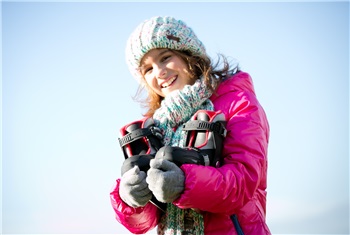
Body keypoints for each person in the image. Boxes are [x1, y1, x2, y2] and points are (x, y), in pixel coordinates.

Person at [110, 16, 271, 235]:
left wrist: (184, 183)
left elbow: (242, 183)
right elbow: (144, 222)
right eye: (147, 69)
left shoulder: (238, 103)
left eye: (165, 57)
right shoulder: (155, 125)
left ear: (189, 55)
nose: (159, 72)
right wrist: (131, 199)